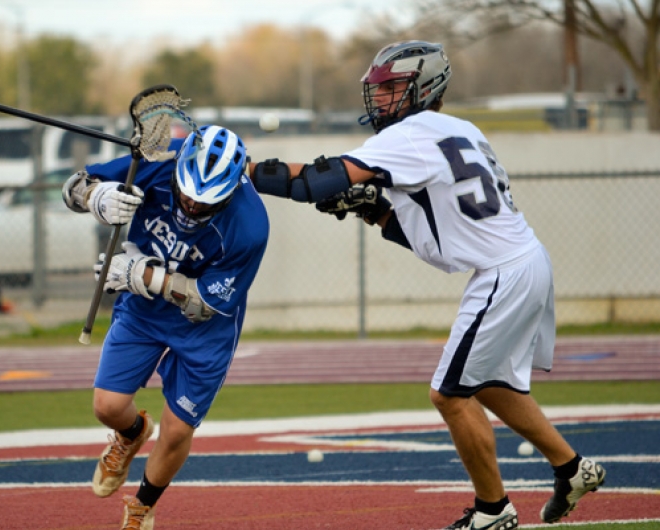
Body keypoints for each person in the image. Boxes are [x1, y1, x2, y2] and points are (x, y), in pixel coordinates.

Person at [247, 40, 605, 530]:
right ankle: (572, 468)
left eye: (392, 88)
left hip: (503, 271)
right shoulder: (460, 129)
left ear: (424, 86)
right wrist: (374, 210)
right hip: (522, 260)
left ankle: (493, 511)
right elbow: (437, 235)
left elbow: (314, 180)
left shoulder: (409, 134)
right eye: (379, 90)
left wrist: (244, 172)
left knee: (449, 393)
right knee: (489, 384)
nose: (381, 100)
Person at [63, 125, 269, 529]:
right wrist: (96, 197)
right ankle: (132, 433)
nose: (192, 205)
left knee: (176, 430)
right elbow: (73, 185)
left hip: (205, 330)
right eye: (187, 191)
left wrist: (145, 275)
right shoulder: (157, 160)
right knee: (107, 406)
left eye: (206, 200)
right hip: (143, 310)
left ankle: (142, 506)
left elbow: (206, 304)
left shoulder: (250, 225)